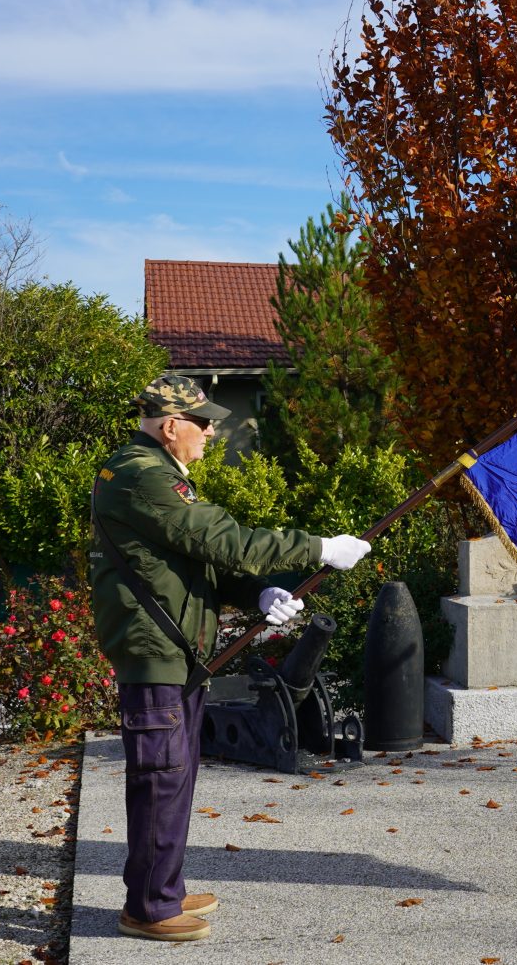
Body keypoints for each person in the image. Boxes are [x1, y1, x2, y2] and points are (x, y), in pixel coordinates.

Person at [90, 374, 372, 942]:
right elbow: (223, 540)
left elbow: (197, 563)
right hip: (156, 654)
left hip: (175, 653)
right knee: (161, 777)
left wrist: (258, 593)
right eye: (203, 421)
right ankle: (148, 909)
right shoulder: (141, 476)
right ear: (172, 426)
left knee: (175, 773)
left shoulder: (155, 472)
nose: (213, 431)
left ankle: (161, 887)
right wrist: (318, 548)